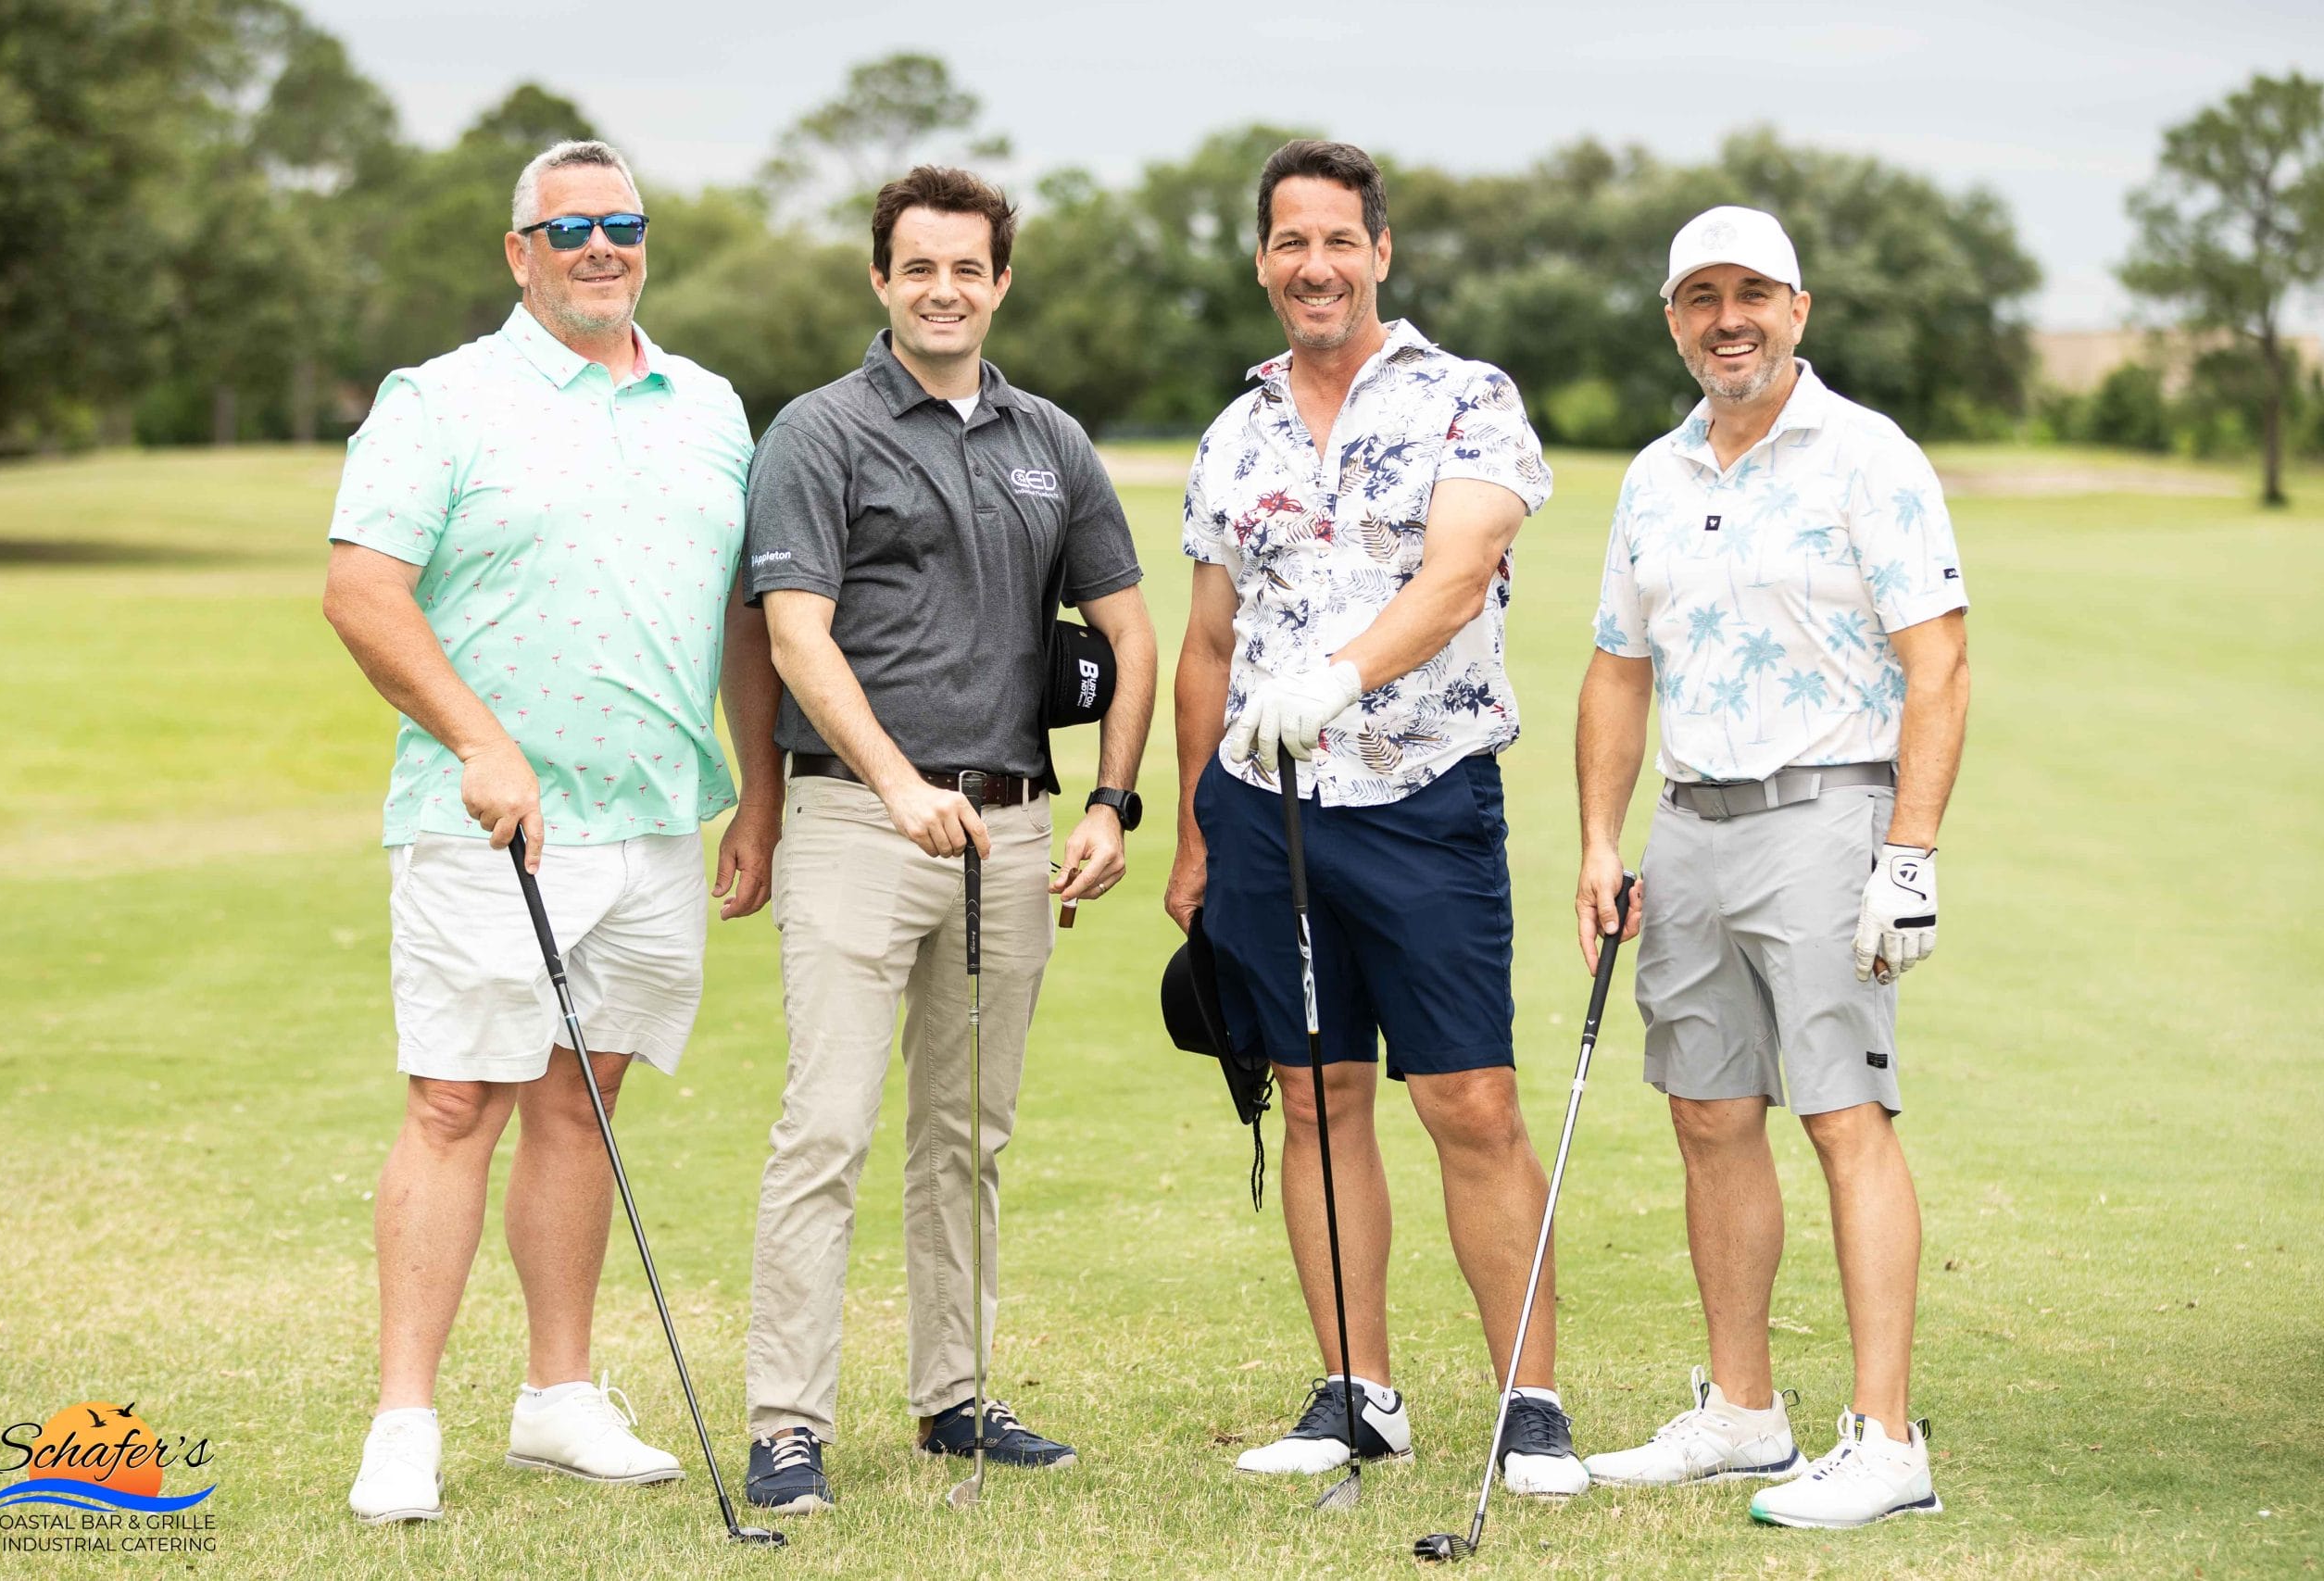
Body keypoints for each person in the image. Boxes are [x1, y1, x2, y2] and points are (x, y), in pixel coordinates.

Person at [324, 139, 774, 1525]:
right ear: (519, 252)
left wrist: (755, 789)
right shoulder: (441, 399)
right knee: (455, 1101)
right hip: (493, 823)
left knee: (587, 1098)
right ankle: (404, 1421)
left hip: (654, 819)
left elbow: (740, 616)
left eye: (620, 225)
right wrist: (480, 740)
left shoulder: (710, 406)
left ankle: (558, 1398)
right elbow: (363, 590)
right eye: (568, 228)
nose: (599, 248)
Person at [734, 165, 1156, 1514]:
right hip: (859, 824)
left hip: (1013, 835)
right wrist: (897, 781)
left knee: (968, 1136)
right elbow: (794, 635)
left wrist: (1113, 801)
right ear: (881, 279)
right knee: (826, 1130)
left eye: (967, 268)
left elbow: (1130, 632)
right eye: (918, 267)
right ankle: (787, 1424)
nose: (943, 290)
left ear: (1000, 283)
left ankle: (956, 1397)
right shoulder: (819, 432)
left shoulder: (1051, 440)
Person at [1167, 139, 1586, 1498]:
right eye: (1290, 242)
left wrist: (1333, 680)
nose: (1316, 266)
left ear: (1380, 252)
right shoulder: (1234, 433)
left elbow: (1460, 576)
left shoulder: (1469, 399)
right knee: (1313, 1094)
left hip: (1420, 801)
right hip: (1264, 812)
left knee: (1471, 1101)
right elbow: (1207, 643)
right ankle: (1359, 1394)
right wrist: (1195, 830)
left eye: (1338, 240)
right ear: (1263, 262)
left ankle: (1530, 1403)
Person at [1573, 205, 1970, 1528]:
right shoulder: (1655, 474)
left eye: (1753, 293)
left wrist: (1908, 854)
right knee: (1707, 1113)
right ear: (1673, 320)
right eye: (1701, 297)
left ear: (1798, 309)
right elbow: (1618, 668)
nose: (1727, 318)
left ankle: (1887, 1442)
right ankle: (1744, 1415)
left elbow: (1939, 662)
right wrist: (1600, 841)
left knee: (1844, 1115)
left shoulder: (1870, 455)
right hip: (1689, 825)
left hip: (1828, 815)